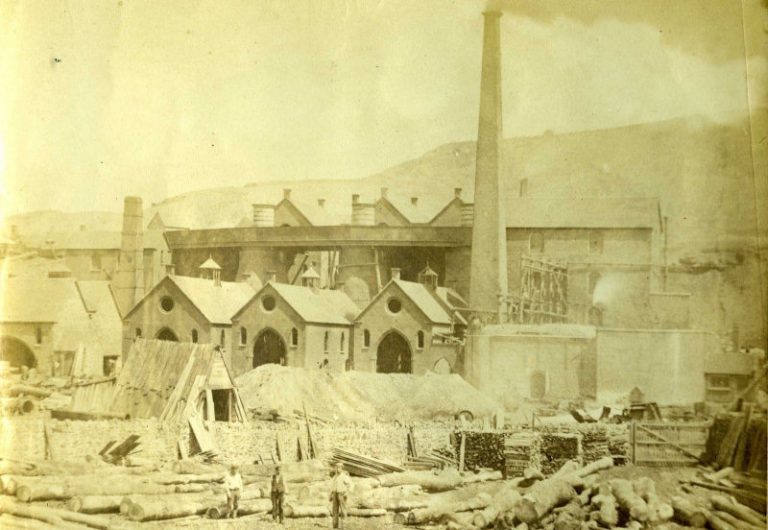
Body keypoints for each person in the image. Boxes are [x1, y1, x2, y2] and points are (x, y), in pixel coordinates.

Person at [329, 463, 352, 529]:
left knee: (343, 510)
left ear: (342, 469)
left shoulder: (344, 476)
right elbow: (332, 486)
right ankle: (335, 526)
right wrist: (331, 495)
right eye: (336, 467)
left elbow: (350, 485)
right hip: (335, 494)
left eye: (339, 468)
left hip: (342, 494)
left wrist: (347, 493)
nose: (337, 469)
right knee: (335, 510)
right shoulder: (335, 477)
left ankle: (344, 526)